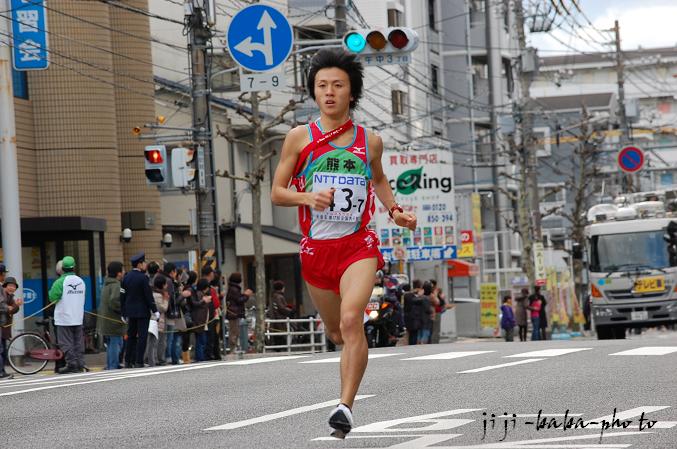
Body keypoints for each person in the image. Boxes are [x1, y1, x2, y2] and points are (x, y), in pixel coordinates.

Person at [270, 48, 417, 438]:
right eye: (322, 86)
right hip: (317, 251)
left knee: (353, 320)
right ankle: (346, 372)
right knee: (336, 332)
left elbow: (380, 180)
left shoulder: (371, 141)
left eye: (338, 85)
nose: (329, 92)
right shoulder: (300, 138)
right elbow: (277, 192)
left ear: (352, 92)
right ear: (313, 93)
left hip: (358, 245)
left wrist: (395, 210)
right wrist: (307, 198)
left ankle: (344, 408)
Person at [48, 256, 87, 374]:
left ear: (62, 268)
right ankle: (80, 363)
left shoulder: (60, 282)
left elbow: (52, 297)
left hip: (64, 318)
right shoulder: (81, 281)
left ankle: (72, 364)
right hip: (78, 317)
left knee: (66, 342)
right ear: (74, 267)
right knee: (78, 342)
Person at [120, 252, 159, 368]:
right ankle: (139, 361)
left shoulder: (126, 278)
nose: (145, 264)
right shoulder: (143, 278)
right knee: (142, 337)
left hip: (130, 312)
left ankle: (127, 361)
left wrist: (123, 312)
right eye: (144, 262)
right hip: (142, 312)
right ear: (140, 264)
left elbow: (122, 296)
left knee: (131, 336)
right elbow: (148, 296)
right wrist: (155, 310)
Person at [99, 261, 125, 370]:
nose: (124, 272)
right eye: (122, 270)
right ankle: (113, 366)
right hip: (113, 321)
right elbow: (114, 301)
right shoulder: (116, 285)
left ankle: (111, 365)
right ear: (118, 273)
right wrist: (123, 309)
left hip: (106, 320)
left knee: (111, 344)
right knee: (116, 344)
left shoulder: (107, 284)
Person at [0, 276, 23, 378]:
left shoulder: (10, 297)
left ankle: (2, 371)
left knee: (3, 350)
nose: (12, 288)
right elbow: (4, 308)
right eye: (10, 285)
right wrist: (10, 308)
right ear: (5, 286)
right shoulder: (2, 295)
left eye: (14, 286)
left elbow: (12, 310)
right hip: (1, 326)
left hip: (5, 328)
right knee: (1, 349)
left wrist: (16, 306)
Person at [225, 272, 253, 354]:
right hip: (234, 313)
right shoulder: (234, 289)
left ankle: (234, 348)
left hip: (234, 313)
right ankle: (232, 349)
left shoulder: (234, 288)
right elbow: (239, 300)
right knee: (234, 332)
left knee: (235, 331)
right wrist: (246, 295)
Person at [146, 276, 169, 367]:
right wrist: (166, 300)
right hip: (156, 321)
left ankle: (153, 359)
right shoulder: (158, 295)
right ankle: (153, 360)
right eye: (165, 284)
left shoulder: (154, 293)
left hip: (155, 320)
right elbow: (163, 308)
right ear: (163, 285)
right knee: (155, 342)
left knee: (155, 341)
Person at [189, 279, 212, 362]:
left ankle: (200, 356)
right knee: (201, 340)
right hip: (200, 321)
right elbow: (196, 304)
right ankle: (200, 357)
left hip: (201, 320)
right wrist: (204, 301)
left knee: (201, 340)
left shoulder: (200, 293)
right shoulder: (199, 294)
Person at [267, 280, 292, 348]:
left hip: (274, 318)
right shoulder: (279, 297)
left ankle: (277, 347)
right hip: (280, 318)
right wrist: (290, 311)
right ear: (282, 288)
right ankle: (281, 347)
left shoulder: (273, 296)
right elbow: (281, 308)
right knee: (281, 334)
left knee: (277, 334)